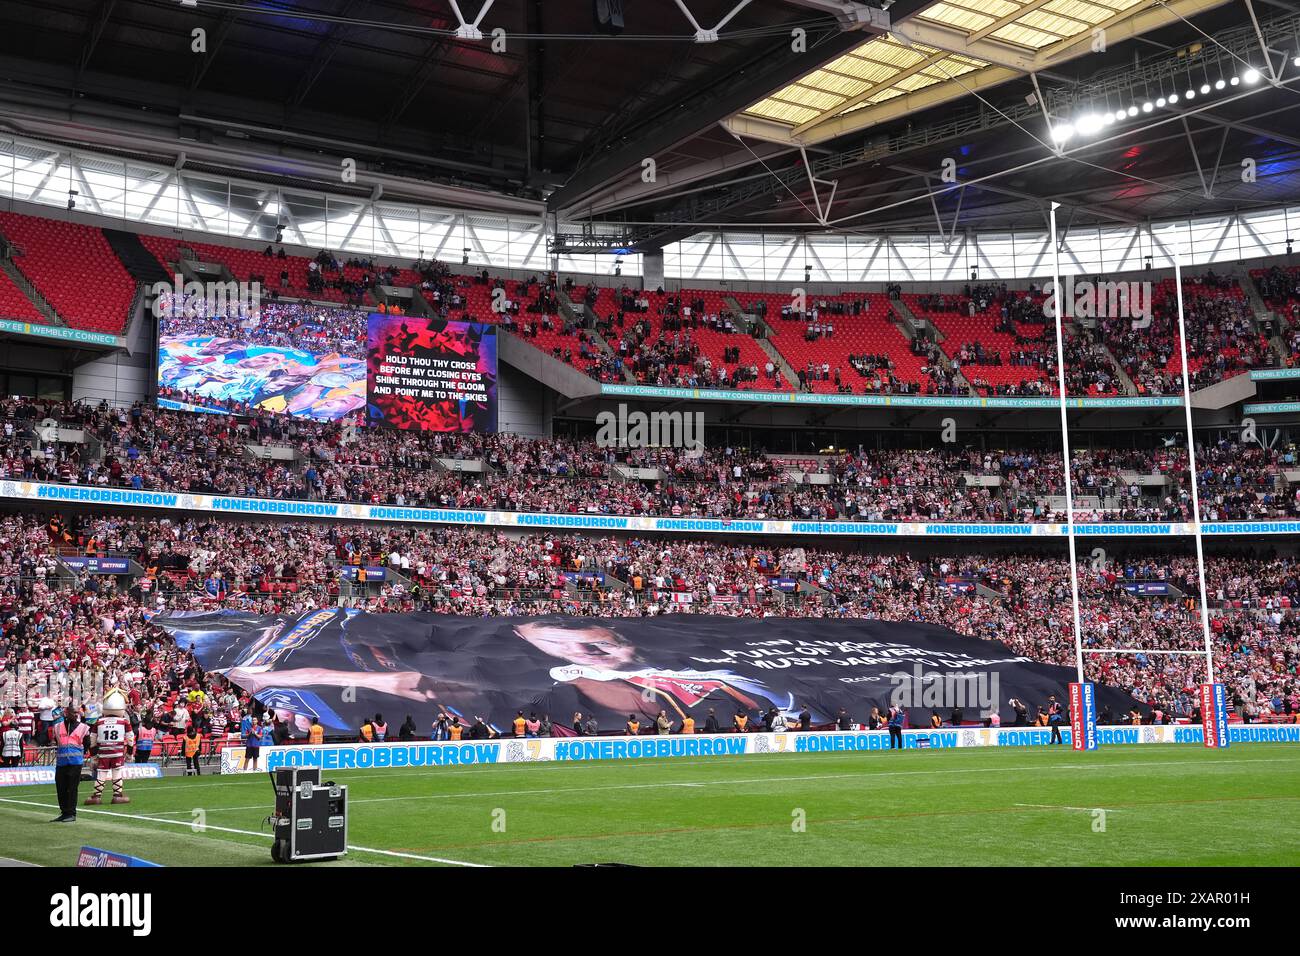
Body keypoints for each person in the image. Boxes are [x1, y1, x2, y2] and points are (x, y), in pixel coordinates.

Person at [52, 706, 89, 822]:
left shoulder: (83, 728)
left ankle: (71, 813)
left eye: (76, 713)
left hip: (75, 763)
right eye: (73, 712)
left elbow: (87, 744)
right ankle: (64, 812)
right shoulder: (57, 727)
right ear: (66, 713)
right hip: (61, 762)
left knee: (72, 788)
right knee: (61, 788)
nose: (75, 714)